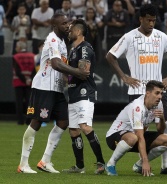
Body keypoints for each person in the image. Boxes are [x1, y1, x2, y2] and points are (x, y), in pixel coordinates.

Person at [106, 4, 167, 175]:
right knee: (139, 132)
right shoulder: (129, 37)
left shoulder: (161, 37)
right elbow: (110, 56)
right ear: (140, 19)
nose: (151, 23)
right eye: (148, 20)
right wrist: (124, 77)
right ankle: (133, 162)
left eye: (154, 20)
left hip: (157, 91)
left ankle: (165, 166)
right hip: (137, 91)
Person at [17, 13, 89, 174]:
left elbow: (63, 62)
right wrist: (77, 72)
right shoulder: (52, 40)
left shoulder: (62, 41)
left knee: (63, 121)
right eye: (64, 23)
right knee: (36, 122)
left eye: (68, 23)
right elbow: (56, 64)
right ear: (55, 27)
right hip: (43, 87)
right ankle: (23, 164)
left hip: (56, 89)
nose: (67, 26)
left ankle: (45, 161)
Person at [62, 19, 105, 174]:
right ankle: (80, 166)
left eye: (71, 29)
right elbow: (73, 73)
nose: (69, 32)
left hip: (84, 92)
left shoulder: (85, 48)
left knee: (85, 127)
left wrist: (64, 68)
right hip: (73, 93)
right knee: (73, 130)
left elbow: (84, 71)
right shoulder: (73, 50)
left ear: (78, 32)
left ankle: (101, 163)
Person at [105, 80, 167, 176]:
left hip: (135, 137)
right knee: (133, 137)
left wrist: (162, 118)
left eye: (161, 93)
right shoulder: (137, 107)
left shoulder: (159, 104)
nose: (160, 97)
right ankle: (111, 164)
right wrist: (146, 161)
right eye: (157, 93)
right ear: (148, 93)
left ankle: (139, 165)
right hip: (114, 136)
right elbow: (139, 136)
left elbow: (160, 130)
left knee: (166, 139)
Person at [12, 41, 35, 125]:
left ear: (19, 47)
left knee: (19, 102)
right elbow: (34, 70)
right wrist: (29, 79)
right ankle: (29, 120)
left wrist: (24, 79)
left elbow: (17, 71)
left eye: (16, 47)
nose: (15, 49)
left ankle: (20, 120)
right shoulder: (32, 56)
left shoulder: (16, 56)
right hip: (30, 82)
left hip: (18, 82)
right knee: (30, 102)